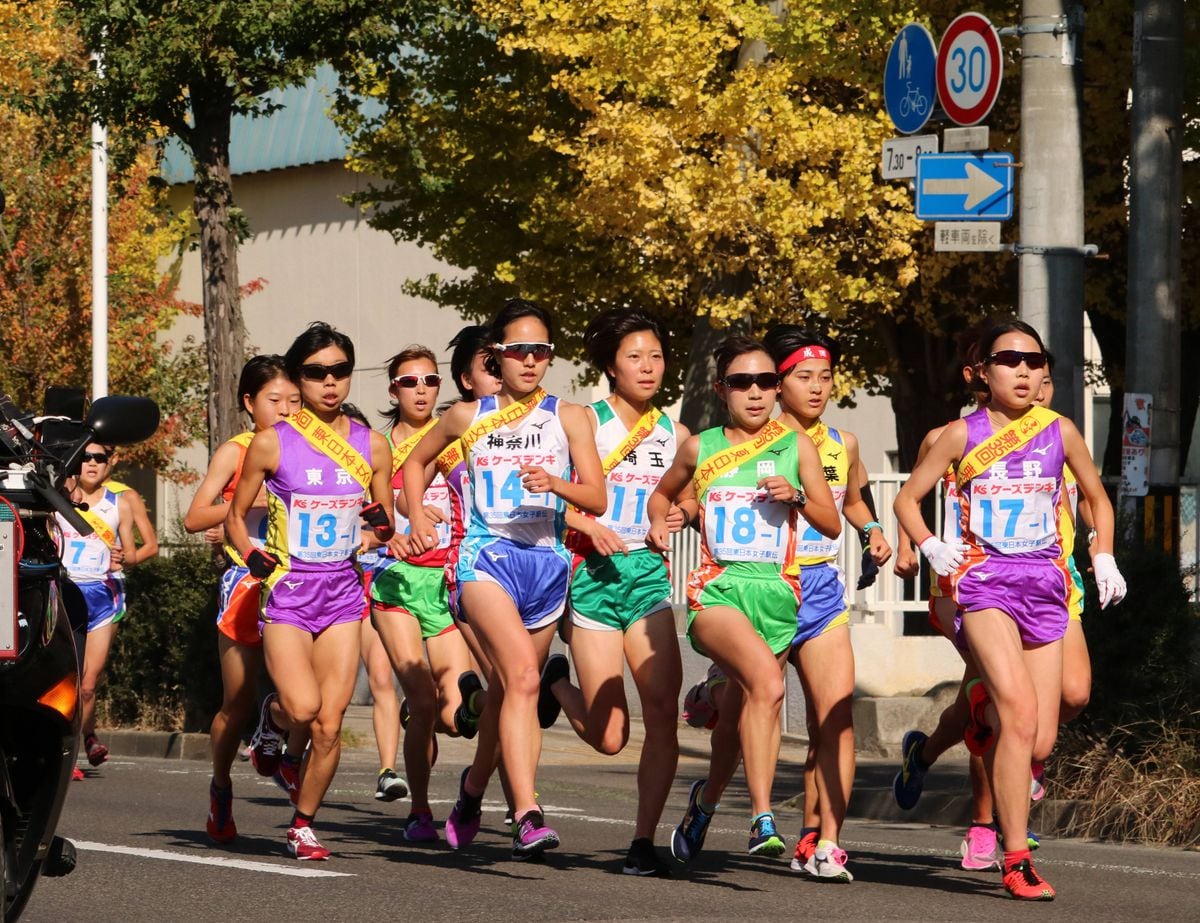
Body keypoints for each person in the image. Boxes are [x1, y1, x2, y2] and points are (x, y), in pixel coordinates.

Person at [894, 319, 1126, 901]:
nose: (1023, 372)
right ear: (983, 373)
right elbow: (906, 497)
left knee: (1040, 742)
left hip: (1046, 585)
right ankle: (1015, 856)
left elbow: (1096, 497)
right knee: (1018, 712)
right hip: (983, 585)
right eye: (1010, 362)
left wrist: (1103, 557)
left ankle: (978, 716)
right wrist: (927, 544)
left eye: (1034, 362)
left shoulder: (1061, 431)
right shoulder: (957, 434)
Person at [401, 299, 606, 859]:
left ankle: (471, 791)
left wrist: (555, 484)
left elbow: (597, 495)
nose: (531, 361)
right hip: (485, 558)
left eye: (541, 351)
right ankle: (527, 812)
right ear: (498, 355)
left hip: (545, 564)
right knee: (521, 676)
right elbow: (414, 465)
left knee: (510, 692)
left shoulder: (570, 417)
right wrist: (418, 516)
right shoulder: (469, 416)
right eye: (519, 351)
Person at [646, 335, 841, 866]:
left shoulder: (797, 446)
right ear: (721, 388)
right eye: (741, 383)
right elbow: (664, 493)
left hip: (778, 593)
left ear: (777, 389)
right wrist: (665, 521)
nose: (755, 393)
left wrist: (796, 496)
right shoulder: (700, 446)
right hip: (718, 590)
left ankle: (705, 805)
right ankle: (762, 817)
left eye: (765, 383)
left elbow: (830, 522)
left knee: (738, 719)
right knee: (768, 683)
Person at [227, 322, 396, 861]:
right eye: (317, 372)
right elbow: (234, 517)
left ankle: (302, 824)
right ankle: (273, 718)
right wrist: (254, 557)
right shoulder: (272, 442)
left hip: (344, 592)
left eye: (340, 371)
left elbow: (386, 521)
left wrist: (378, 526)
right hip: (290, 592)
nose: (330, 382)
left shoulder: (374, 443)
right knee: (303, 708)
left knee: (329, 722)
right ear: (299, 377)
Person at [539, 308, 692, 877]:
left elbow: (689, 496)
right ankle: (557, 682)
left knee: (662, 712)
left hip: (648, 577)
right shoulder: (583, 421)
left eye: (655, 355)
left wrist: (675, 515)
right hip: (591, 577)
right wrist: (586, 525)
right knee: (609, 737)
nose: (648, 366)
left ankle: (643, 841)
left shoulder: (674, 434)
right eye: (635, 356)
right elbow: (547, 493)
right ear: (610, 365)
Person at [759, 325, 891, 881]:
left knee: (833, 720)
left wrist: (874, 531)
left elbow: (854, 499)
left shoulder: (845, 443)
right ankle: (715, 689)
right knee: (747, 711)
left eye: (825, 377)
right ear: (779, 382)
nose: (817, 388)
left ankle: (826, 839)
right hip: (760, 588)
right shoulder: (754, 438)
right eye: (804, 377)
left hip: (820, 588)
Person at [184, 355, 301, 842]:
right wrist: (254, 500)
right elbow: (194, 517)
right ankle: (221, 787)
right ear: (249, 403)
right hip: (249, 583)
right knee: (237, 699)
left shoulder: (316, 447)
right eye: (275, 401)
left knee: (308, 700)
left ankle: (273, 728)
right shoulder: (236, 452)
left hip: (305, 583)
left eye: (294, 400)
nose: (287, 410)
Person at [370, 346, 482, 842]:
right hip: (395, 580)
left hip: (445, 581)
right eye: (409, 382)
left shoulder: (456, 439)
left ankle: (421, 722)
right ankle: (419, 810)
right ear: (392, 389)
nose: (421, 390)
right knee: (421, 691)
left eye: (430, 381)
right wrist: (400, 520)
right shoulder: (376, 446)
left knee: (455, 717)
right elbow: (361, 505)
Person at [61, 443, 157, 774]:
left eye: (99, 458)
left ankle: (83, 740)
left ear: (110, 462)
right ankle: (76, 746)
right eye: (84, 457)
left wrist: (125, 558)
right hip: (64, 591)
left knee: (88, 683)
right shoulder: (60, 493)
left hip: (104, 594)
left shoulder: (121, 502)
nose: (91, 463)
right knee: (67, 680)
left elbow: (137, 550)